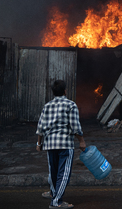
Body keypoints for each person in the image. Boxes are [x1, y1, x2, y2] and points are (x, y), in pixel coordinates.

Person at [36, 80, 86, 209]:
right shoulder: (71, 105)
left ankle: (54, 193)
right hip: (65, 144)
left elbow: (40, 127)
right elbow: (75, 126)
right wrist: (81, 140)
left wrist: (38, 143)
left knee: (53, 172)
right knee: (63, 174)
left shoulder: (47, 106)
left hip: (50, 144)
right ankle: (56, 202)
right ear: (65, 91)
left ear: (53, 92)